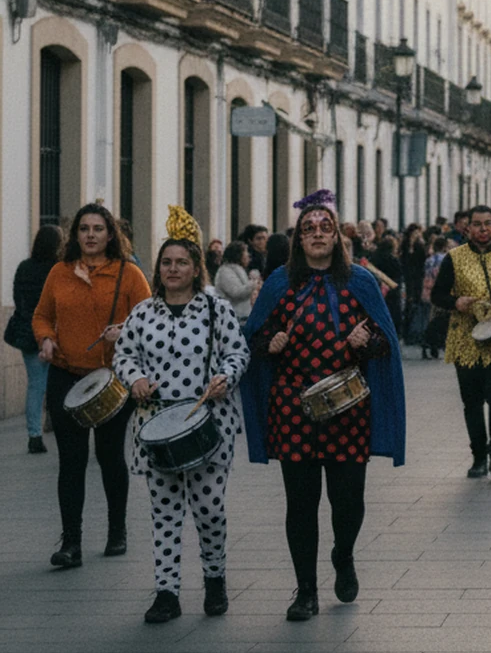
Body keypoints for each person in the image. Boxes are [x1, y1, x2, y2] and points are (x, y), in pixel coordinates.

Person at [240, 191, 405, 621]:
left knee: (348, 501)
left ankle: (344, 553)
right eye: (308, 229)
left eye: (324, 227)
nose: (316, 234)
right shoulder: (279, 282)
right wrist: (268, 344)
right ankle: (306, 591)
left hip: (349, 408)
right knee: (301, 502)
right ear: (298, 238)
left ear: (337, 236)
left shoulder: (361, 282)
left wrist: (366, 342)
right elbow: (253, 340)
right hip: (292, 408)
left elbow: (388, 342)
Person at [113, 206, 250, 623]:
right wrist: (134, 378)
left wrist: (226, 376)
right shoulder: (143, 313)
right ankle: (167, 593)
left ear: (196, 269)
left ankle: (215, 579)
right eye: (167, 262)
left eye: (182, 263)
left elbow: (237, 351)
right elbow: (124, 353)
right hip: (156, 428)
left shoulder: (215, 310)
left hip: (207, 423)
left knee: (208, 508)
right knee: (165, 512)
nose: (173, 269)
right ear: (159, 268)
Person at [31, 203, 153, 567]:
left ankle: (117, 531)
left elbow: (149, 320)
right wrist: (46, 339)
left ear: (110, 234)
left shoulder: (129, 274)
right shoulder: (59, 272)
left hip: (113, 381)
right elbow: (41, 315)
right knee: (71, 461)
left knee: (110, 456)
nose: (90, 235)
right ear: (75, 235)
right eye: (84, 228)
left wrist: (125, 331)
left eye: (98, 229)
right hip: (66, 375)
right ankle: (71, 542)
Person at [429, 204, 491, 477]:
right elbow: (436, 295)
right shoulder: (454, 257)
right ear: (467, 228)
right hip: (466, 338)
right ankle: (478, 457)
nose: (483, 229)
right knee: (471, 400)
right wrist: (455, 302)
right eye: (477, 224)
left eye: (488, 223)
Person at [6, 224, 63, 453]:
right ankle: (55, 425)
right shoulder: (56, 269)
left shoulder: (24, 267)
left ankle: (34, 435)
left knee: (36, 385)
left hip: (27, 335)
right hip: (53, 333)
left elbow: (17, 298)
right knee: (56, 385)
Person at [214, 240, 259, 319]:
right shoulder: (225, 271)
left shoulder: (239, 270)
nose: (248, 255)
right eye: (245, 252)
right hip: (232, 317)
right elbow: (236, 292)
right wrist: (253, 283)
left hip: (243, 316)